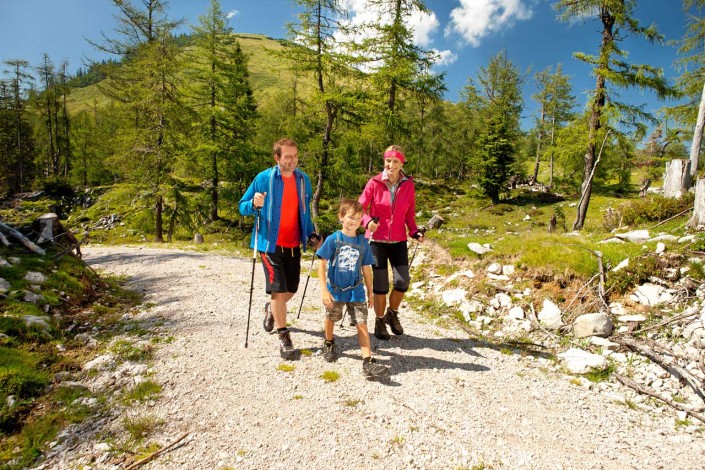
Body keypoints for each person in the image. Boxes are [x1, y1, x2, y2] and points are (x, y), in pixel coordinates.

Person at [238, 138, 320, 359]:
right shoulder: (264, 178)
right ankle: (284, 337)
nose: (292, 161)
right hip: (269, 244)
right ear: (277, 158)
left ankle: (272, 309)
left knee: (290, 289)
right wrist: (254, 204)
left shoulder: (304, 180)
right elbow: (242, 206)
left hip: (294, 243)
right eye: (287, 157)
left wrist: (311, 233)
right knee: (277, 288)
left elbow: (305, 211)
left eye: (295, 156)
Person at [316, 198, 391, 377]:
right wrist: (324, 290)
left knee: (362, 322)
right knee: (332, 317)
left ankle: (367, 361)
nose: (355, 222)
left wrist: (370, 291)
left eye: (358, 219)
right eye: (351, 217)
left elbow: (366, 268)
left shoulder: (363, 242)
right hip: (335, 289)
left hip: (356, 290)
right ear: (341, 217)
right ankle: (328, 342)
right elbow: (322, 263)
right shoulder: (334, 239)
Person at [358, 145, 424, 340]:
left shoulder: (408, 186)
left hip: (398, 241)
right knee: (380, 285)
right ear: (384, 161)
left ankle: (391, 313)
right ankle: (379, 321)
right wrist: (367, 222)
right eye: (388, 161)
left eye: (395, 161)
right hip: (376, 240)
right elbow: (360, 208)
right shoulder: (374, 183)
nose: (391, 165)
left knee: (403, 282)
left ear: (402, 163)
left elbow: (409, 215)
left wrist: (414, 232)